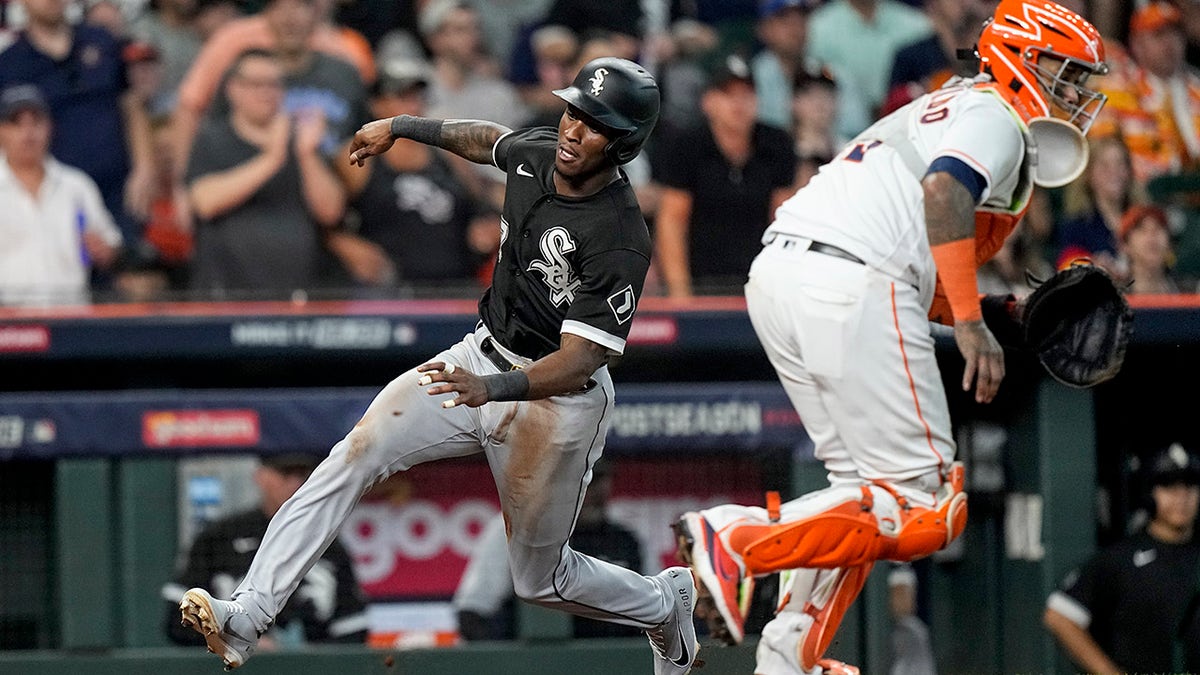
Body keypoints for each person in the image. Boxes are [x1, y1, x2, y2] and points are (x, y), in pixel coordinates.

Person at [176, 56, 700, 675]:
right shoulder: (543, 147)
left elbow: (582, 357)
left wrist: (493, 388)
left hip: (555, 401)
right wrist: (400, 124)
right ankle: (249, 614)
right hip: (479, 355)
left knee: (539, 580)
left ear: (624, 143)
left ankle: (664, 603)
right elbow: (486, 141)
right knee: (356, 451)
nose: (572, 129)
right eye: (572, 111)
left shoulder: (619, 235)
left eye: (593, 124)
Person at [670, 2, 1109, 674]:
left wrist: (993, 310)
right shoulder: (996, 114)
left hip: (789, 274)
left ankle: (791, 655)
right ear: (1021, 57)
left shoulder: (955, 106)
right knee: (930, 507)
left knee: (868, 497)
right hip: (851, 280)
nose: (1075, 90)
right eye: (1063, 70)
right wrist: (967, 320)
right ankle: (738, 538)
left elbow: (919, 245)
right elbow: (944, 191)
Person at [161, 454, 369, 648]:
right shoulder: (220, 537)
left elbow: (352, 625)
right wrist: (231, 640)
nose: (295, 484)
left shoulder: (326, 542)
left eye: (303, 475)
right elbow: (179, 621)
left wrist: (310, 657)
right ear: (260, 476)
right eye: (285, 474)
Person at [184, 48, 345, 294]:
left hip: (298, 291)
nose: (267, 93)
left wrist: (306, 155)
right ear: (232, 89)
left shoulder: (303, 142)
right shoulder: (212, 139)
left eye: (275, 84)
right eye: (256, 84)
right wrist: (272, 159)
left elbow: (330, 212)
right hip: (227, 293)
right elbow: (205, 202)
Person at [328, 55, 493, 290]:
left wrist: (485, 227)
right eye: (402, 98)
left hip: (455, 284)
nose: (412, 108)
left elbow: (481, 203)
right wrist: (344, 244)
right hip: (388, 290)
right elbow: (324, 217)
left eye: (417, 98)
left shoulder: (447, 154)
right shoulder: (357, 154)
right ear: (377, 104)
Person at [0, 0, 156, 245]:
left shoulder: (101, 40)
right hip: (57, 196)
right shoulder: (10, 64)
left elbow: (131, 105)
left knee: (133, 270)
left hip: (120, 188)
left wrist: (145, 166)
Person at [1043, 443, 1200, 674]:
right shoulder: (1122, 559)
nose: (1182, 497)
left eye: (1190, 486)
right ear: (1149, 492)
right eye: (1169, 486)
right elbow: (1059, 616)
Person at [651, 53, 797, 298]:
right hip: (701, 284)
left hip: (761, 284)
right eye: (728, 95)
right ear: (708, 102)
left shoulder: (777, 145)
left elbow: (782, 220)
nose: (738, 104)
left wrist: (782, 289)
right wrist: (680, 292)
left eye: (746, 95)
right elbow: (672, 222)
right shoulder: (686, 146)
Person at [453, 458, 644, 640]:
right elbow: (471, 615)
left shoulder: (628, 540)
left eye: (598, 478)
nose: (591, 490)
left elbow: (660, 614)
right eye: (581, 478)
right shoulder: (518, 531)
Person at [0, 83, 123, 306]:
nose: (28, 134)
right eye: (16, 123)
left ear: (50, 127)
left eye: (36, 122)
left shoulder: (76, 186)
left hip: (70, 316)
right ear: (2, 131)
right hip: (8, 321)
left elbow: (110, 243)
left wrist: (103, 249)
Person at [1092, 1, 1200, 187]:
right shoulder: (1118, 89)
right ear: (1137, 44)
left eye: (1175, 34)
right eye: (1158, 35)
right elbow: (1100, 149)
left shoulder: (1197, 89)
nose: (1169, 43)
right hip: (1141, 193)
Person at [1119, 203, 1184, 294]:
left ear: (1169, 243)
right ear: (1125, 245)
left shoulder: (1189, 290)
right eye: (1141, 229)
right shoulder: (1112, 297)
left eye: (1158, 228)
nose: (1152, 235)